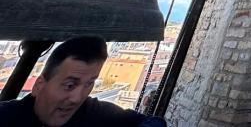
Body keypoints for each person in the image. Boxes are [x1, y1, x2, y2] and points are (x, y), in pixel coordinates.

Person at [0, 35, 165, 126]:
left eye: (89, 84)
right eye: (70, 85)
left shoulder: (92, 111)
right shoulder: (5, 117)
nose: (78, 97)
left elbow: (152, 122)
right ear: (39, 86)